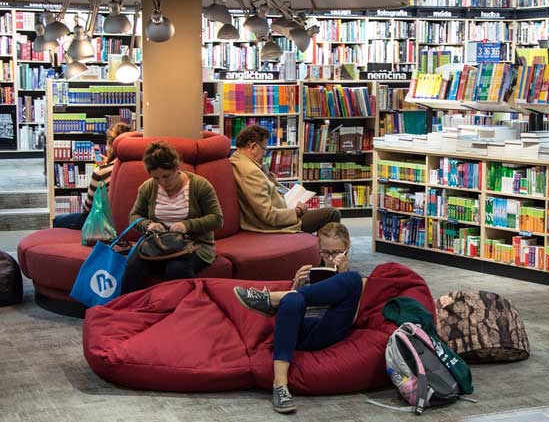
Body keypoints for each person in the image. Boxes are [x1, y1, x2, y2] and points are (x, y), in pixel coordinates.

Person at [233, 222, 366, 414]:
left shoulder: (355, 280)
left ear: (347, 249)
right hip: (300, 332)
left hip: (328, 329)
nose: (330, 258)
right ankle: (280, 386)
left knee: (352, 279)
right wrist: (295, 286)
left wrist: (342, 274)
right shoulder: (310, 274)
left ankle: (271, 299)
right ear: (319, 249)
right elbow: (290, 315)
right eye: (325, 253)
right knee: (293, 299)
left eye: (336, 253)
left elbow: (352, 319)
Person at [121, 141, 224, 294]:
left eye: (166, 176)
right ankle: (127, 306)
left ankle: (190, 306)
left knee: (176, 269)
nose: (162, 182)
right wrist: (148, 225)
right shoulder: (148, 187)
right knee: (132, 267)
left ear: (177, 168)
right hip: (156, 243)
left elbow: (217, 219)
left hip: (194, 244)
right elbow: (134, 217)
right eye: (156, 178)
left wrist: (187, 225)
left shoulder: (200, 186)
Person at [230, 125, 340, 234]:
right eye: (264, 149)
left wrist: (274, 183)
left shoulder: (237, 160)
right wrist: (298, 211)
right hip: (277, 224)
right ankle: (325, 245)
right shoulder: (251, 172)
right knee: (332, 213)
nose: (265, 154)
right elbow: (268, 215)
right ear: (253, 147)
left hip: (282, 212)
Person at [52, 122, 132, 230]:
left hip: (104, 223)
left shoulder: (101, 172)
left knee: (56, 221)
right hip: (129, 221)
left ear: (110, 145)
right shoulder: (140, 167)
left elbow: (87, 209)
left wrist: (104, 167)